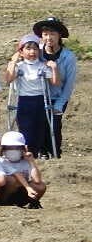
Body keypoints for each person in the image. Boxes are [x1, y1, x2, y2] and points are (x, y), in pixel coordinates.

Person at [5, 34, 58, 159]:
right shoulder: (19, 66)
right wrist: (13, 62)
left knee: (40, 128)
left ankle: (37, 152)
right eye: (28, 49)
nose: (32, 52)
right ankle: (27, 153)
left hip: (40, 100)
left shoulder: (42, 65)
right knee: (25, 129)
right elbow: (8, 79)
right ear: (21, 51)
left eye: (35, 49)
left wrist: (54, 68)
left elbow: (55, 82)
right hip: (24, 101)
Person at [34, 16, 77, 157]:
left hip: (58, 97)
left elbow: (69, 85)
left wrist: (59, 104)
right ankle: (41, 153)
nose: (49, 38)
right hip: (38, 96)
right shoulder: (36, 52)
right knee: (39, 125)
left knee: (54, 126)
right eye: (45, 34)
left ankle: (55, 153)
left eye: (52, 34)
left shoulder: (68, 57)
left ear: (59, 36)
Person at [0, 130, 46, 208]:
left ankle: (33, 203)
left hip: (23, 192)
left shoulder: (26, 161)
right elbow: (15, 175)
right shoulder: (0, 161)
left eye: (16, 148)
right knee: (11, 180)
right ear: (3, 149)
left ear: (23, 148)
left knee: (41, 186)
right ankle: (2, 203)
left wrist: (32, 162)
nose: (13, 150)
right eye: (9, 148)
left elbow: (37, 180)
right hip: (6, 193)